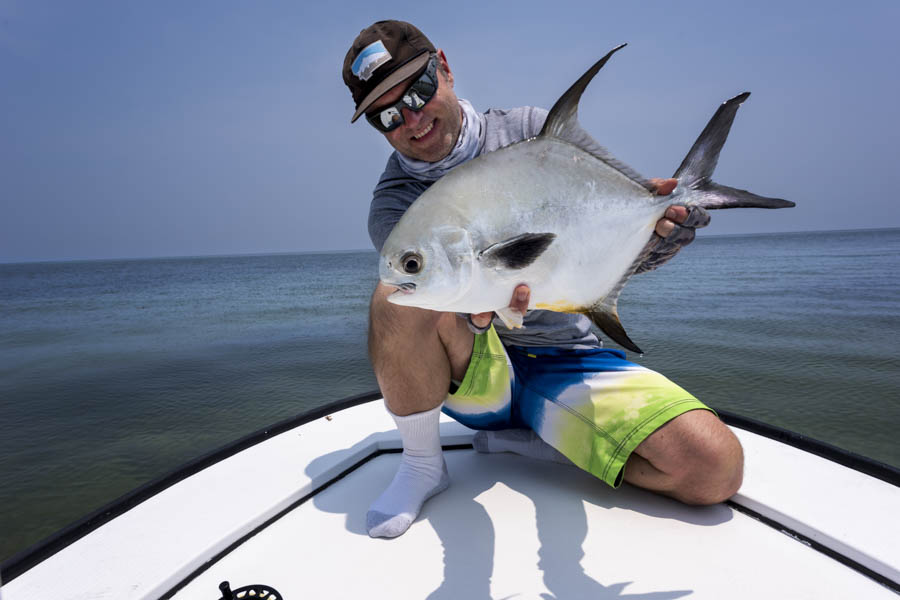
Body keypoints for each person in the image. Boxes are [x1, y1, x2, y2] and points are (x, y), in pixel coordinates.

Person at [342, 20, 743, 539]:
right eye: (387, 115)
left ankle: (540, 435)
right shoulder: (394, 206)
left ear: (444, 66)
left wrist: (664, 229)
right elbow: (450, 301)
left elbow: (601, 245)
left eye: (418, 91)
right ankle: (423, 464)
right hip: (480, 375)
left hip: (565, 359)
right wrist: (476, 309)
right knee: (393, 294)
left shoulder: (533, 131)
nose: (412, 119)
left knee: (714, 470)